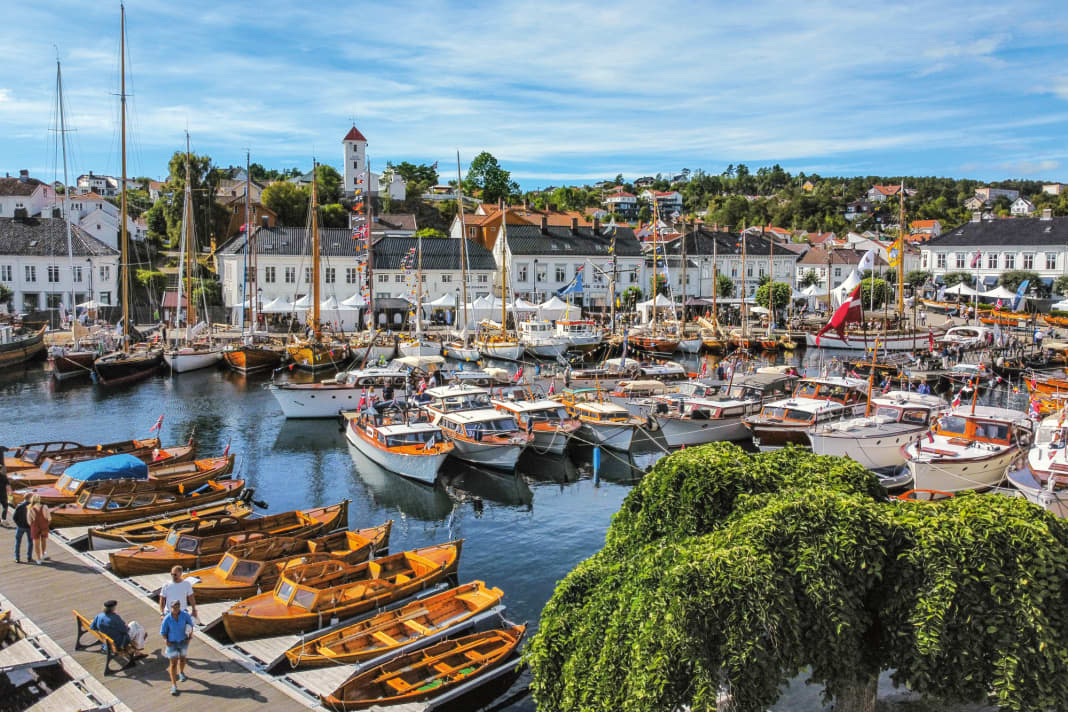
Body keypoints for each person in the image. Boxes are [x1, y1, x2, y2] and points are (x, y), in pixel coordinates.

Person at [160, 600, 194, 696]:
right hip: (172, 643)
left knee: (183, 659)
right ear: (171, 607)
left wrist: (190, 637)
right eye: (174, 607)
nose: (176, 608)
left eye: (177, 606)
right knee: (173, 664)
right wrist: (166, 640)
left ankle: (182, 673)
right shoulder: (167, 619)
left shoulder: (185, 615)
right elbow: (163, 632)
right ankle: (174, 685)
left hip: (183, 641)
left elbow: (191, 626)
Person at [28, 494, 50, 564]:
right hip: (44, 525)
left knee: (36, 544)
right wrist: (46, 525)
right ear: (39, 500)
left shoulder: (30, 509)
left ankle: (38, 559)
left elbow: (29, 521)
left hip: (35, 527)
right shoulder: (45, 507)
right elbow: (49, 518)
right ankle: (43, 554)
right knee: (44, 540)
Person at [12, 497, 31, 563]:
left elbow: (14, 517)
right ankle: (29, 557)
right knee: (30, 542)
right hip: (29, 527)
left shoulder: (19, 506)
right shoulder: (32, 506)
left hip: (20, 527)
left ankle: (17, 558)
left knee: (18, 542)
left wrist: (18, 524)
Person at [0, 445, 10, 525]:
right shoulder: (4, 477)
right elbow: (8, 487)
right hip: (3, 494)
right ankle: (3, 519)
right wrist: (11, 494)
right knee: (5, 506)